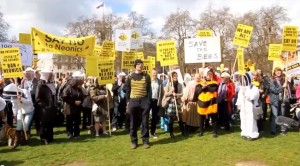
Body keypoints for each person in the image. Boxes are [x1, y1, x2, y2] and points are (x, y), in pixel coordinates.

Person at [125, 59, 152, 149]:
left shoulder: (146, 76)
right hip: (133, 101)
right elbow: (127, 90)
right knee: (133, 122)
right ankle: (134, 141)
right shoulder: (130, 77)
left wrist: (148, 101)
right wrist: (128, 101)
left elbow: (149, 90)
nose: (140, 66)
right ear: (135, 66)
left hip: (144, 101)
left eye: (141, 64)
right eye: (139, 64)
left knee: (145, 122)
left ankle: (145, 141)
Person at [194, 68, 219, 137]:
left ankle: (215, 132)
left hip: (211, 102)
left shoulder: (214, 83)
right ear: (205, 74)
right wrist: (202, 87)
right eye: (208, 74)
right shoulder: (200, 83)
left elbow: (212, 90)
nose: (210, 75)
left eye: (211, 74)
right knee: (201, 117)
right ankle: (201, 131)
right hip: (202, 102)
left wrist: (207, 86)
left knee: (214, 117)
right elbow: (197, 92)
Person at [236, 72, 260, 140]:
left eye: (244, 79)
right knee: (243, 119)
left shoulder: (253, 87)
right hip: (243, 106)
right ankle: (244, 133)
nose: (243, 80)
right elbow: (239, 97)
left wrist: (246, 94)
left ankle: (253, 134)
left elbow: (254, 96)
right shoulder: (241, 88)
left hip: (250, 106)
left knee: (251, 120)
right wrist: (238, 104)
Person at [35, 68, 56, 145]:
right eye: (50, 74)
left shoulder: (51, 84)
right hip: (44, 109)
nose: (52, 76)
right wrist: (45, 106)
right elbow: (37, 98)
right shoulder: (40, 85)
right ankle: (43, 138)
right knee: (43, 124)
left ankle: (50, 138)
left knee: (50, 123)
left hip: (51, 107)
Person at [62, 71, 85, 139]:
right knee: (70, 121)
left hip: (77, 107)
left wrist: (80, 101)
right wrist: (73, 102)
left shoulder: (79, 88)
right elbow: (64, 97)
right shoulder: (69, 87)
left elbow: (83, 96)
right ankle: (70, 133)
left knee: (77, 121)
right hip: (70, 107)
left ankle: (77, 134)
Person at [162, 71, 185, 138]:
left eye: (176, 76)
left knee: (180, 118)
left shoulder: (180, 85)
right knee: (171, 118)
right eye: (174, 76)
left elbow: (182, 94)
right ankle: (171, 133)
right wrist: (170, 92)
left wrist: (176, 95)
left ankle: (183, 132)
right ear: (171, 77)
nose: (175, 77)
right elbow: (165, 94)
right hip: (171, 103)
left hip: (177, 103)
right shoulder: (169, 84)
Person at [150, 68, 164, 138]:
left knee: (154, 117)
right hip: (148, 100)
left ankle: (153, 131)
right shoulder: (148, 81)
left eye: (155, 73)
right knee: (146, 116)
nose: (154, 74)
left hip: (155, 101)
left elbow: (162, 92)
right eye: (153, 73)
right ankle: (145, 132)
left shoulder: (159, 82)